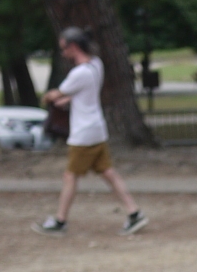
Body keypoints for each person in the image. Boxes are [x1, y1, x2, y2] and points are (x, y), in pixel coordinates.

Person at [35, 28, 147, 237]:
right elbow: (80, 93)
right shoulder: (96, 65)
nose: (62, 53)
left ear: (73, 47)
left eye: (63, 48)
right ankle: (134, 213)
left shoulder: (78, 73)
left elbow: (57, 93)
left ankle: (60, 221)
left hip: (83, 133)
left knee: (70, 176)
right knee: (108, 173)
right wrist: (65, 98)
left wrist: (48, 97)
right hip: (97, 129)